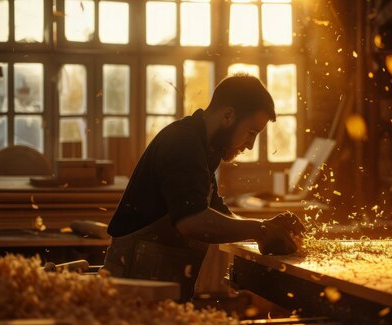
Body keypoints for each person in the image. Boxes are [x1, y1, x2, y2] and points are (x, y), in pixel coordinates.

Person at [102, 74, 306, 301]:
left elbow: (216, 210)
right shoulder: (183, 142)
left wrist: (267, 226)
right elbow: (193, 222)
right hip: (131, 287)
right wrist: (260, 230)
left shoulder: (205, 147)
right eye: (251, 132)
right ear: (228, 115)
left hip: (158, 287)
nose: (250, 145)